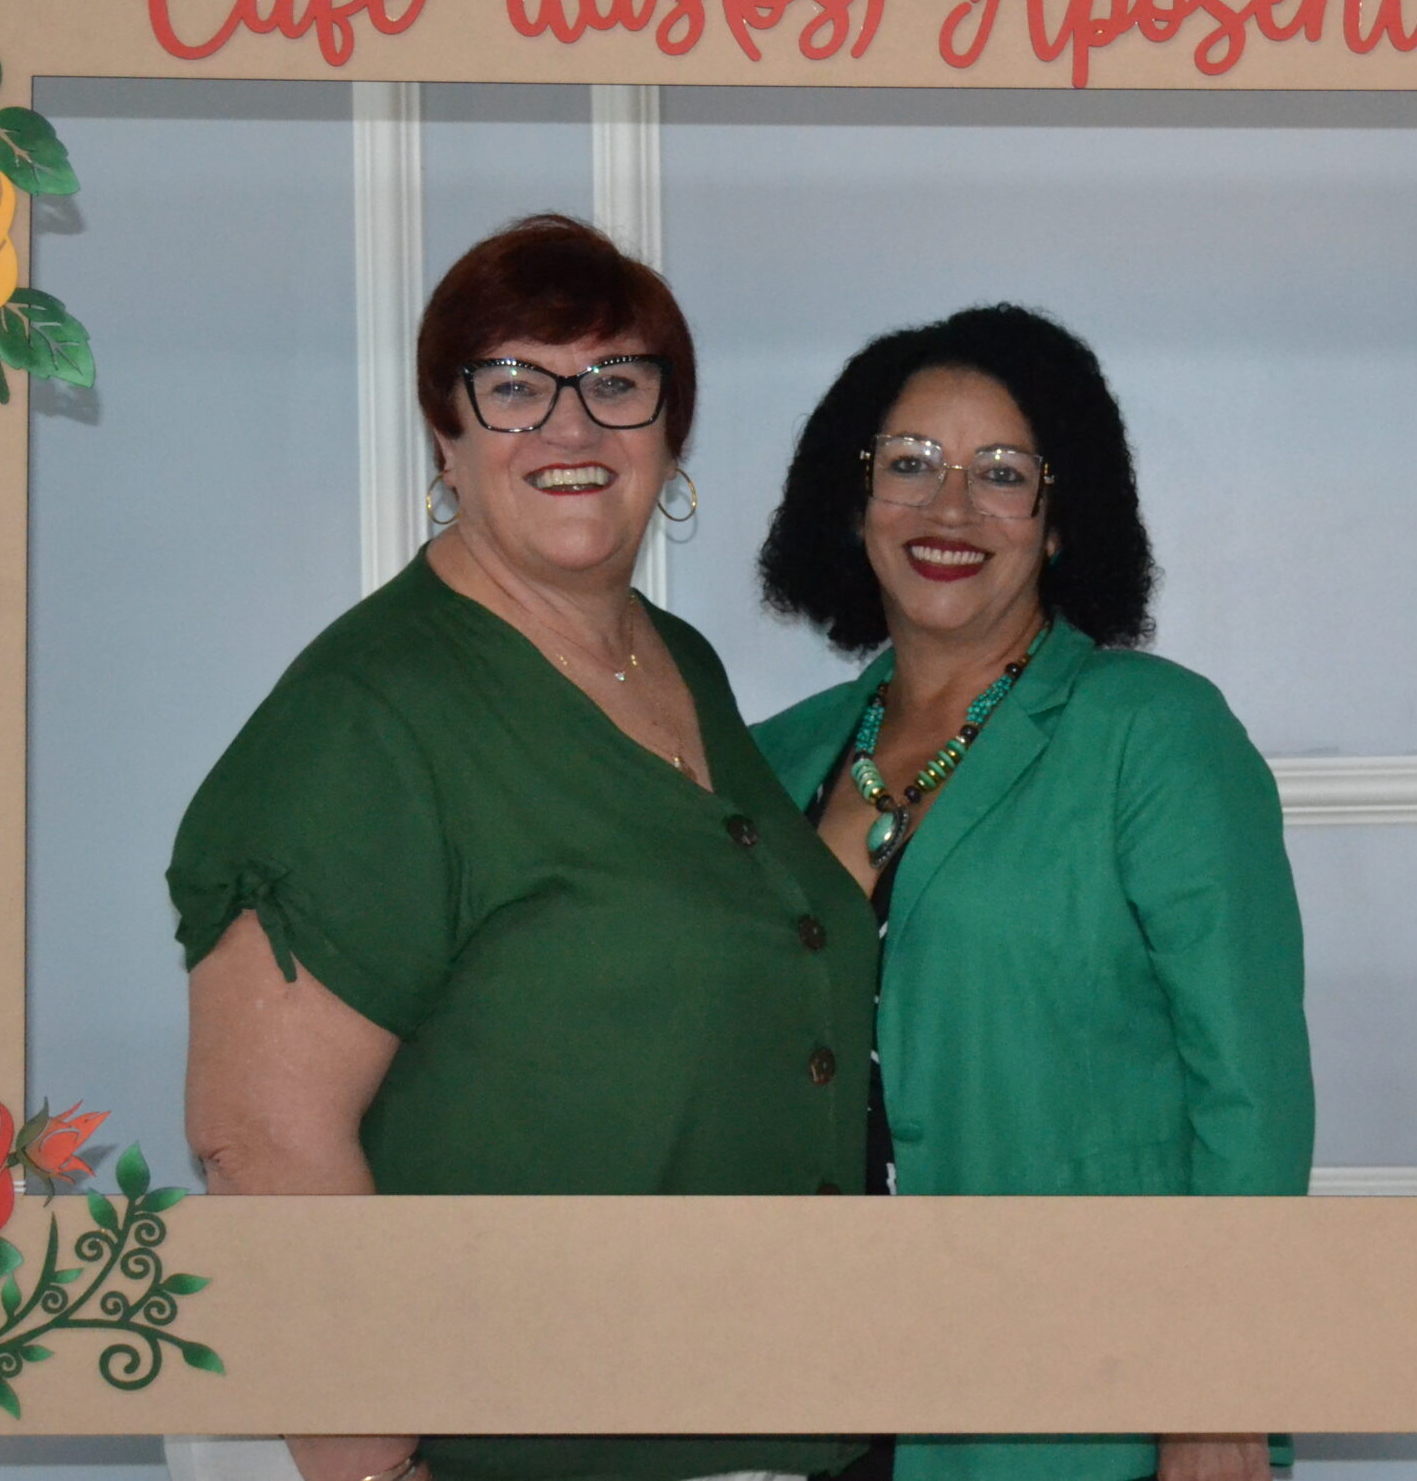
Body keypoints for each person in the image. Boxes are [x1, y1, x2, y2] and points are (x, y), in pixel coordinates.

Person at [171, 214, 876, 1481]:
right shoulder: (370, 711)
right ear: (444, 435)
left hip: (753, 1410)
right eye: (512, 386)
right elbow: (258, 1138)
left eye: (616, 382)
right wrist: (366, 1465)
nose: (571, 427)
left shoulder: (678, 663)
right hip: (518, 1441)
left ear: (670, 431)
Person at [753, 306, 1315, 1481]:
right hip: (813, 1384)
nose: (949, 508)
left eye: (1003, 474)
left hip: (1081, 1398)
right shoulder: (773, 758)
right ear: (852, 500)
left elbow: (1249, 1093)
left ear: (1061, 522)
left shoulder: (1154, 736)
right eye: (909, 463)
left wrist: (1222, 1390)